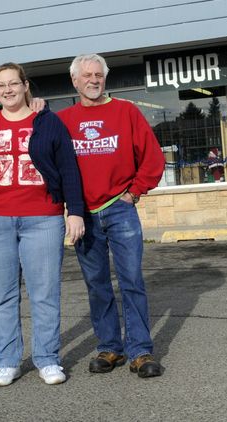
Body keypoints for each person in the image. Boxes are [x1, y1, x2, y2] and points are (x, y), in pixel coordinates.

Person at [0, 62, 85, 387]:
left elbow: (69, 169)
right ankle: (8, 361)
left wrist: (75, 211)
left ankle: (47, 359)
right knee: (2, 295)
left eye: (13, 83)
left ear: (25, 85)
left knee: (44, 293)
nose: (7, 90)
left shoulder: (48, 122)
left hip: (42, 219)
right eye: (1, 85)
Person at [57, 53, 166, 378]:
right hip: (83, 215)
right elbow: (46, 159)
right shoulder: (62, 120)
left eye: (98, 75)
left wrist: (133, 193)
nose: (93, 80)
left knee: (132, 281)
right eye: (87, 75)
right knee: (97, 284)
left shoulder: (127, 112)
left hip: (120, 209)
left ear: (104, 79)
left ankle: (140, 351)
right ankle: (110, 347)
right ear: (75, 81)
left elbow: (152, 159)